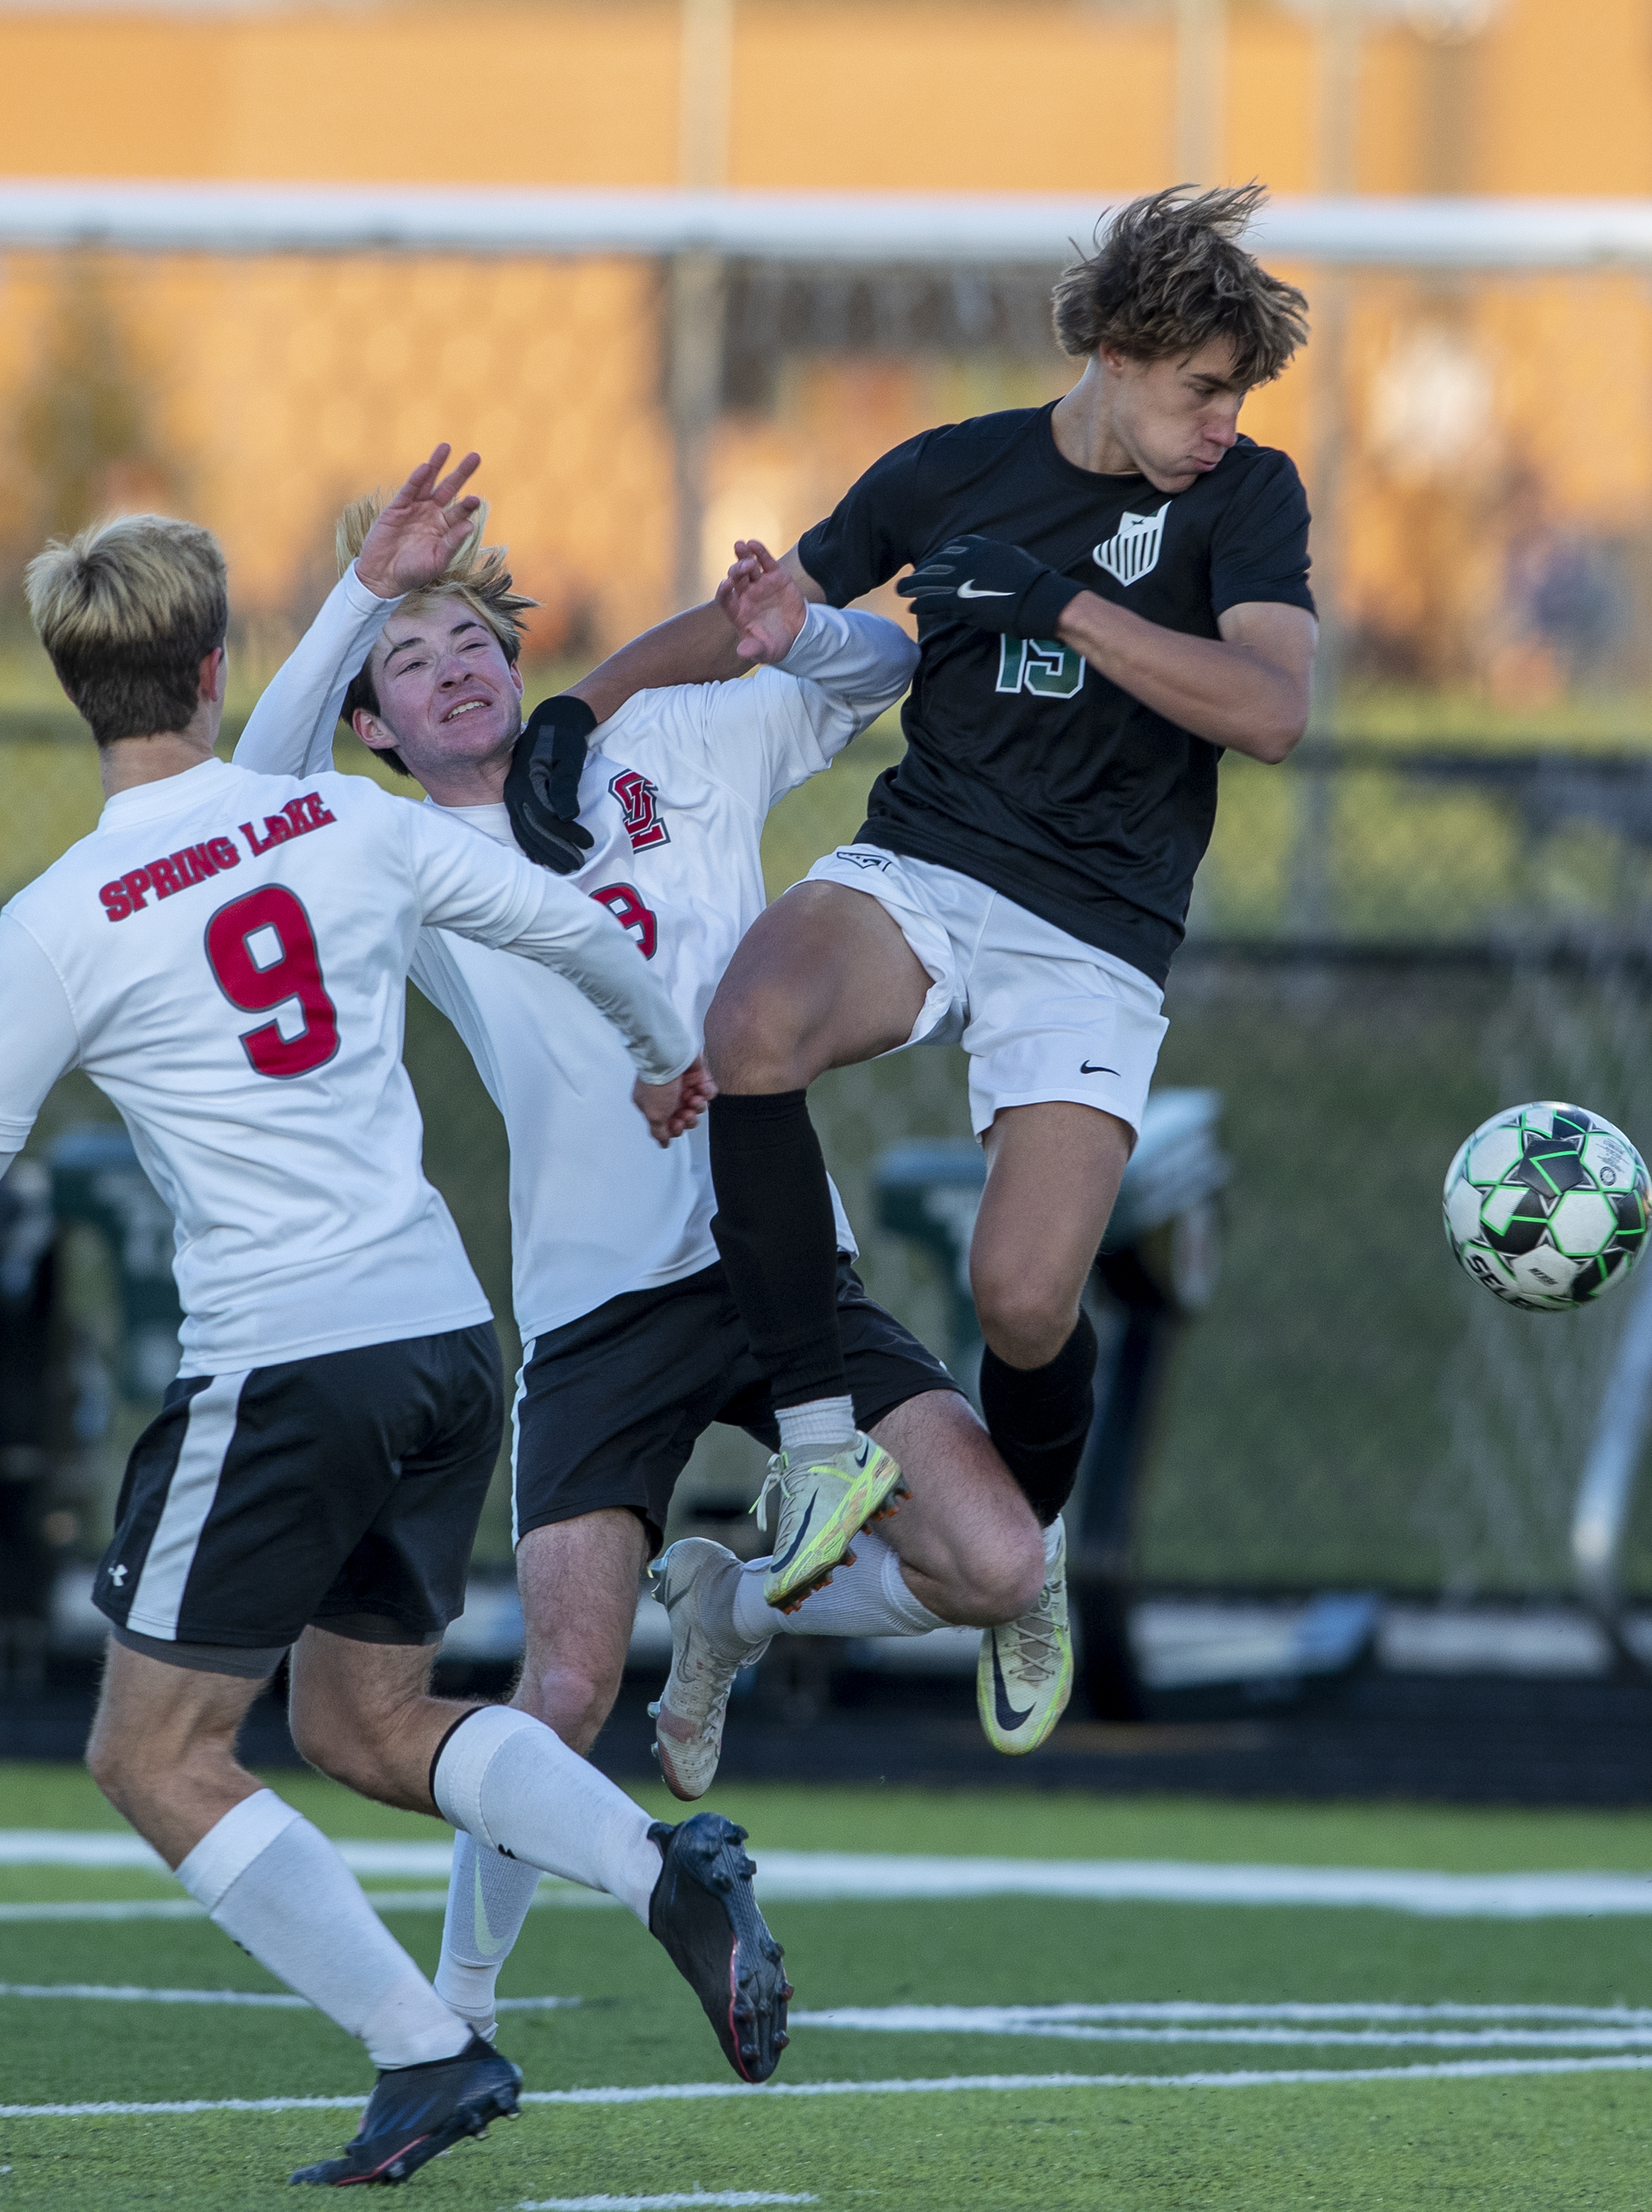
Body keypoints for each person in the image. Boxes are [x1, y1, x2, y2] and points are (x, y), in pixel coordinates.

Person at [0, 504, 788, 2189]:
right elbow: (572, 931)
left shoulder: (59, 920)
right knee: (361, 1725)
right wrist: (666, 1056)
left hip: (281, 1361)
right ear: (216, 671)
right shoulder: (326, 832)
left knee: (151, 1756)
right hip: (442, 1342)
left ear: (74, 689)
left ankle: (424, 2053)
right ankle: (663, 1870)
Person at [233, 451, 1048, 2047]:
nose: (452, 666)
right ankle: (461, 2015)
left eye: (468, 635)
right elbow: (254, 779)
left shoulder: (667, 734)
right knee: (560, 1692)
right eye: (407, 661)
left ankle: (732, 1609)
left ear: (518, 658)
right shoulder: (382, 857)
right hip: (596, 1311)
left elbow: (876, 675)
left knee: (997, 1564)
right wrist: (357, 590)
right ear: (376, 729)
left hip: (775, 1275)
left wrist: (774, 622)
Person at [694, 183, 1317, 1724]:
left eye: (1236, 393)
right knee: (750, 1026)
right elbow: (780, 611)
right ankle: (823, 1438)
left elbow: (1270, 712)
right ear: (1113, 351)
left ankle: (1012, 1563)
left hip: (1095, 935)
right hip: (925, 862)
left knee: (1024, 1299)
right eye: (1200, 389)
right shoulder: (947, 469)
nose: (1222, 421)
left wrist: (1062, 603)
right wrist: (617, 685)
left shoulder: (1245, 499)